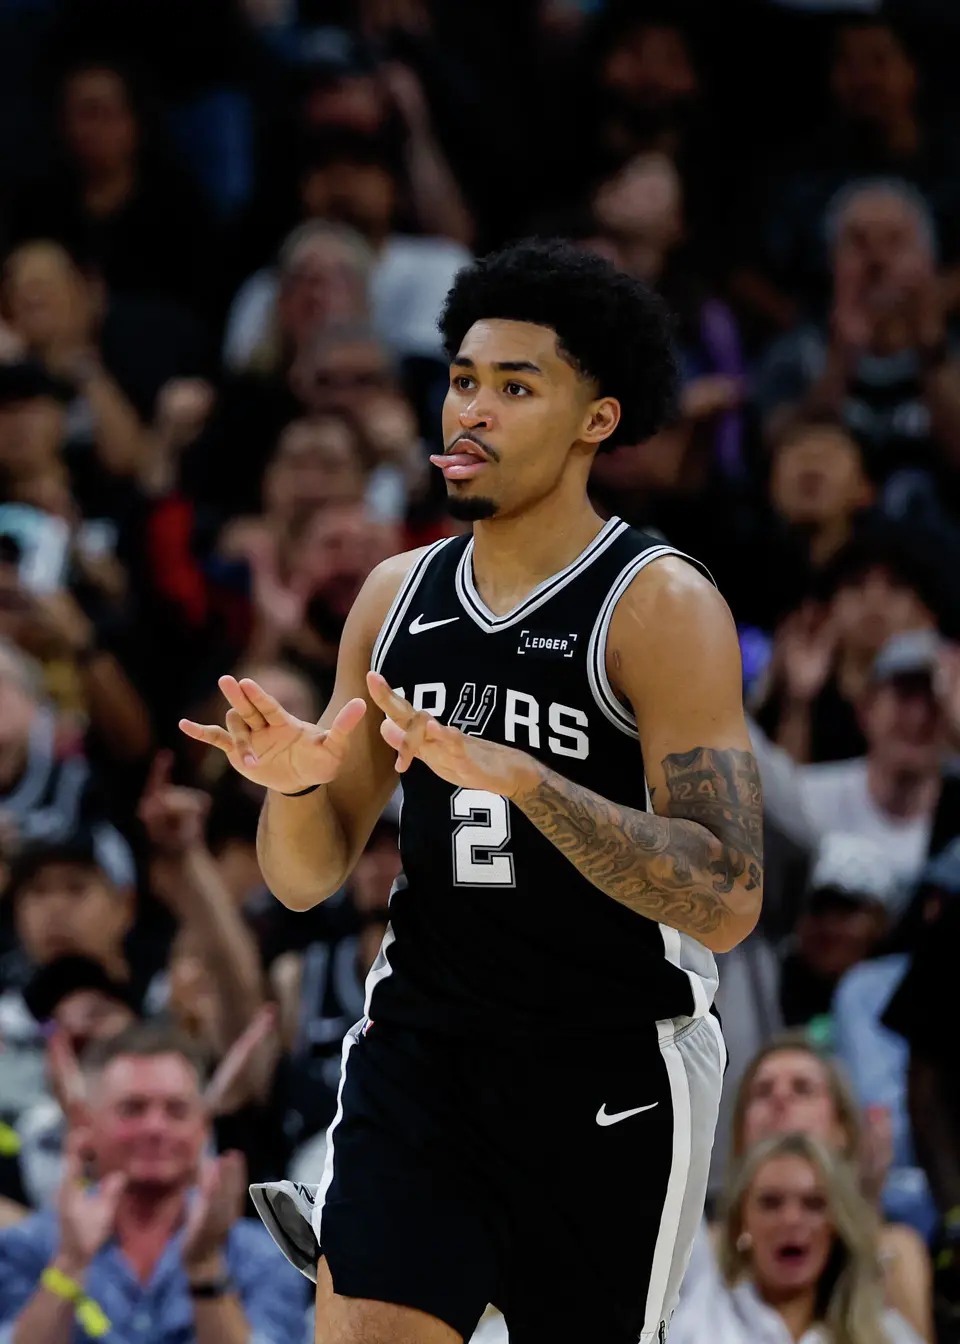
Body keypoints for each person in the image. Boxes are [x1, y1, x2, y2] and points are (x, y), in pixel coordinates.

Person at [181, 239, 763, 1343]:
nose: (471, 413)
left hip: (609, 1066)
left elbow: (727, 893)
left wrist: (530, 781)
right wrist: (296, 787)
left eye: (514, 386)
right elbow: (303, 881)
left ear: (598, 416)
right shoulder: (395, 597)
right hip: (425, 1054)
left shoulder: (658, 606)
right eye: (461, 380)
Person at [0, 1023, 309, 1344]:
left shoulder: (263, 1256)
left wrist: (205, 1266)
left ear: (202, 1127)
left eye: (176, 1111)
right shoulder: (24, 1248)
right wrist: (69, 1264)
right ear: (85, 1122)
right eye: (132, 1109)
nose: (155, 1128)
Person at [716, 1034, 933, 1340]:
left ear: (843, 1129)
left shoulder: (893, 1251)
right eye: (762, 1092)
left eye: (802, 1088)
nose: (780, 1099)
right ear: (739, 1133)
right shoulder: (697, 1255)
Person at [671, 1132, 925, 1344]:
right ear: (741, 1224)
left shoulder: (886, 1333)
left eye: (813, 1204)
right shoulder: (697, 1313)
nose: (791, 1219)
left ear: (836, 1225)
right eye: (770, 1203)